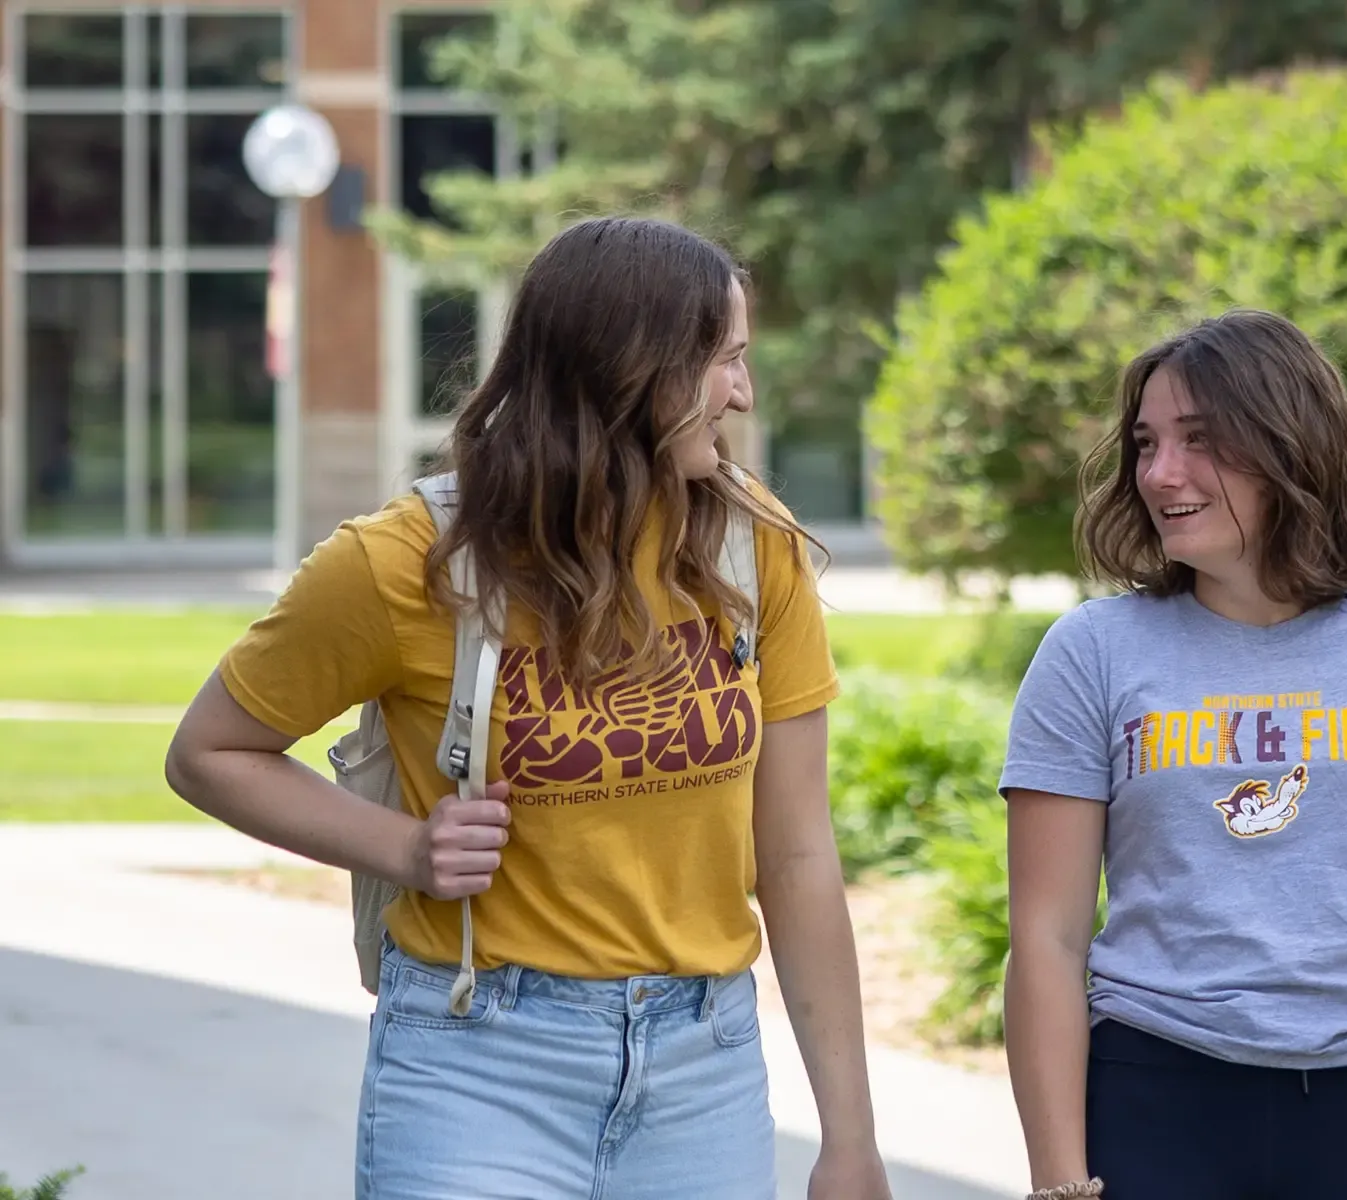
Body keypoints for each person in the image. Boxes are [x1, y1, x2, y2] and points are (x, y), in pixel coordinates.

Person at [163, 216, 889, 1198]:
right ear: (633, 370)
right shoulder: (406, 561)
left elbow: (798, 853)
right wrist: (405, 850)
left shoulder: (750, 552)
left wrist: (850, 1139)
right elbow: (211, 750)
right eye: (723, 362)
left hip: (701, 1068)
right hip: (476, 1059)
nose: (742, 393)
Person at [998, 309, 1347, 1200]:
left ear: (1293, 447)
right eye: (1146, 442)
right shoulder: (1092, 652)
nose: (1160, 473)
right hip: (1153, 1095)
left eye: (1200, 440)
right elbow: (1047, 940)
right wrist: (1061, 1182)